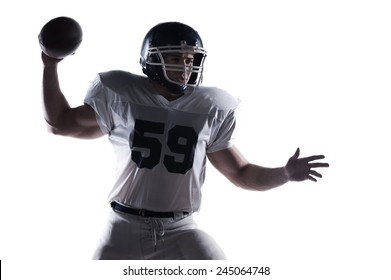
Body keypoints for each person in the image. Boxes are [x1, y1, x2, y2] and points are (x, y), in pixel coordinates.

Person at [41, 21, 329, 260]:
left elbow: (240, 172)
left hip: (180, 228)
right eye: (175, 58)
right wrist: (50, 64)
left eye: (190, 59)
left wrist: (284, 174)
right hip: (123, 227)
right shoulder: (121, 95)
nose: (185, 67)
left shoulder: (210, 106)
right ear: (151, 59)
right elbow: (60, 124)